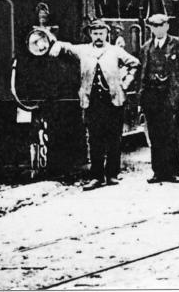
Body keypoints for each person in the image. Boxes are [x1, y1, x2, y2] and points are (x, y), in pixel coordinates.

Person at [50, 19, 140, 190]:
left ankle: (112, 175)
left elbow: (135, 63)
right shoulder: (84, 50)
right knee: (95, 139)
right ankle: (96, 177)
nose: (98, 36)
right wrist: (56, 45)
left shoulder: (115, 51)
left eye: (101, 33)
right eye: (95, 33)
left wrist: (126, 82)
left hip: (113, 100)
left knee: (114, 139)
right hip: (92, 102)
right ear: (90, 34)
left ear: (107, 34)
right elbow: (67, 47)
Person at [138, 13, 179, 184]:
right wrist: (141, 99)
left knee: (171, 134)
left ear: (167, 26)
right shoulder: (146, 47)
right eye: (154, 26)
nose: (158, 29)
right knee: (155, 135)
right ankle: (158, 172)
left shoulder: (178, 44)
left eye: (161, 25)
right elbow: (142, 74)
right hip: (152, 96)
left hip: (171, 95)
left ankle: (172, 171)